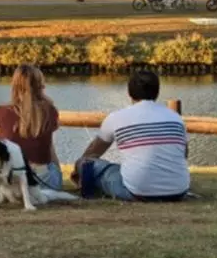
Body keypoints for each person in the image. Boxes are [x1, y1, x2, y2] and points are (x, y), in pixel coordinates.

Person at [71, 70, 190, 201]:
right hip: (179, 191)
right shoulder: (176, 118)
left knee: (85, 163)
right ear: (157, 92)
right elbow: (183, 155)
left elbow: (93, 152)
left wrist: (78, 169)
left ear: (129, 92)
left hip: (137, 191)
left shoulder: (117, 117)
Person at [0, 64, 63, 190]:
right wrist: (59, 174)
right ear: (40, 86)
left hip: (12, 182)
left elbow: (0, 150)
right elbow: (50, 150)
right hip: (43, 180)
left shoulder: (1, 112)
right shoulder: (50, 110)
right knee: (51, 167)